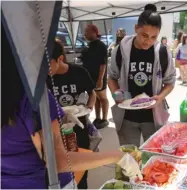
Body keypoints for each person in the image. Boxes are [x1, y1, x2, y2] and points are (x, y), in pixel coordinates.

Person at [1, 24, 142, 189]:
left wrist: (61, 114)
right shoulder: (34, 98)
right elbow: (58, 161)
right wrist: (117, 156)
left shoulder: (20, 96)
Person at [108, 4, 176, 147]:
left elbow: (170, 82)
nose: (148, 41)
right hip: (127, 117)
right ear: (136, 28)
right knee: (129, 160)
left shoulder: (162, 52)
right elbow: (112, 77)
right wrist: (116, 94)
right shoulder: (121, 50)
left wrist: (160, 97)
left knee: (153, 157)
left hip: (153, 118)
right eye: (144, 35)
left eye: (153, 37)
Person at [47, 39, 97, 189]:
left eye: (48, 64)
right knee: (61, 173)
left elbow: (92, 92)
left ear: (60, 59)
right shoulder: (44, 80)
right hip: (56, 133)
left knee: (81, 172)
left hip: (78, 129)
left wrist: (89, 106)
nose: (44, 69)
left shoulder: (79, 72)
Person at [81, 24, 109, 129]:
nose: (85, 34)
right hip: (90, 77)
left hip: (99, 77)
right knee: (95, 98)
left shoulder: (101, 45)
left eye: (87, 31)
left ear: (94, 32)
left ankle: (105, 118)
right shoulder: (89, 45)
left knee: (102, 98)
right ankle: (97, 117)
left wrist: (100, 79)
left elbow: (103, 64)